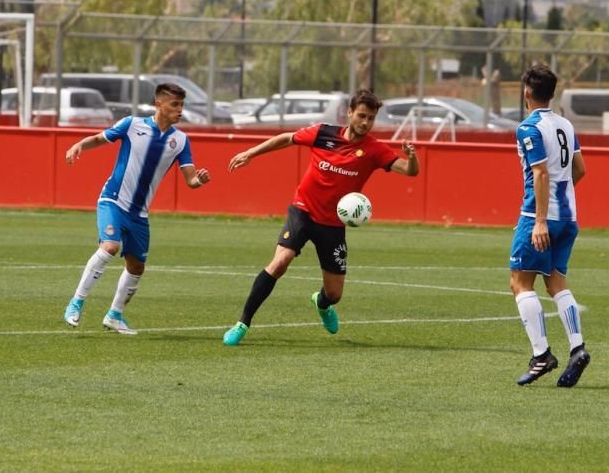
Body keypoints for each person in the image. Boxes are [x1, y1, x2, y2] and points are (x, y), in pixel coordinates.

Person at [221, 89, 419, 346]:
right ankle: (242, 323)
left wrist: (412, 158)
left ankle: (322, 303)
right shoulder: (323, 133)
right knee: (280, 262)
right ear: (349, 113)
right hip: (303, 211)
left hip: (333, 226)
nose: (365, 123)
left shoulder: (374, 150)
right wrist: (251, 153)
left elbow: (409, 171)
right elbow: (286, 138)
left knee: (334, 294)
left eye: (370, 118)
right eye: (361, 116)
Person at [61, 82, 211, 334]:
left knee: (136, 267)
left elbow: (191, 180)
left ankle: (114, 316)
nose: (180, 110)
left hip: (139, 213)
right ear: (159, 104)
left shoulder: (180, 140)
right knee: (110, 246)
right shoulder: (132, 124)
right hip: (113, 200)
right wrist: (79, 145)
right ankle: (76, 303)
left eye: (182, 105)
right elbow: (100, 138)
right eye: (175, 104)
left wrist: (200, 181)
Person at [510, 64, 590, 388]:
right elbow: (580, 169)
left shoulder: (528, 128)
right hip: (569, 218)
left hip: (536, 217)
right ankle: (577, 348)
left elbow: (540, 173)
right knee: (556, 283)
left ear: (526, 92)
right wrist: (562, 198)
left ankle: (541, 354)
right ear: (552, 92)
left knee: (519, 283)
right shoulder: (566, 125)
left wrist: (541, 220)